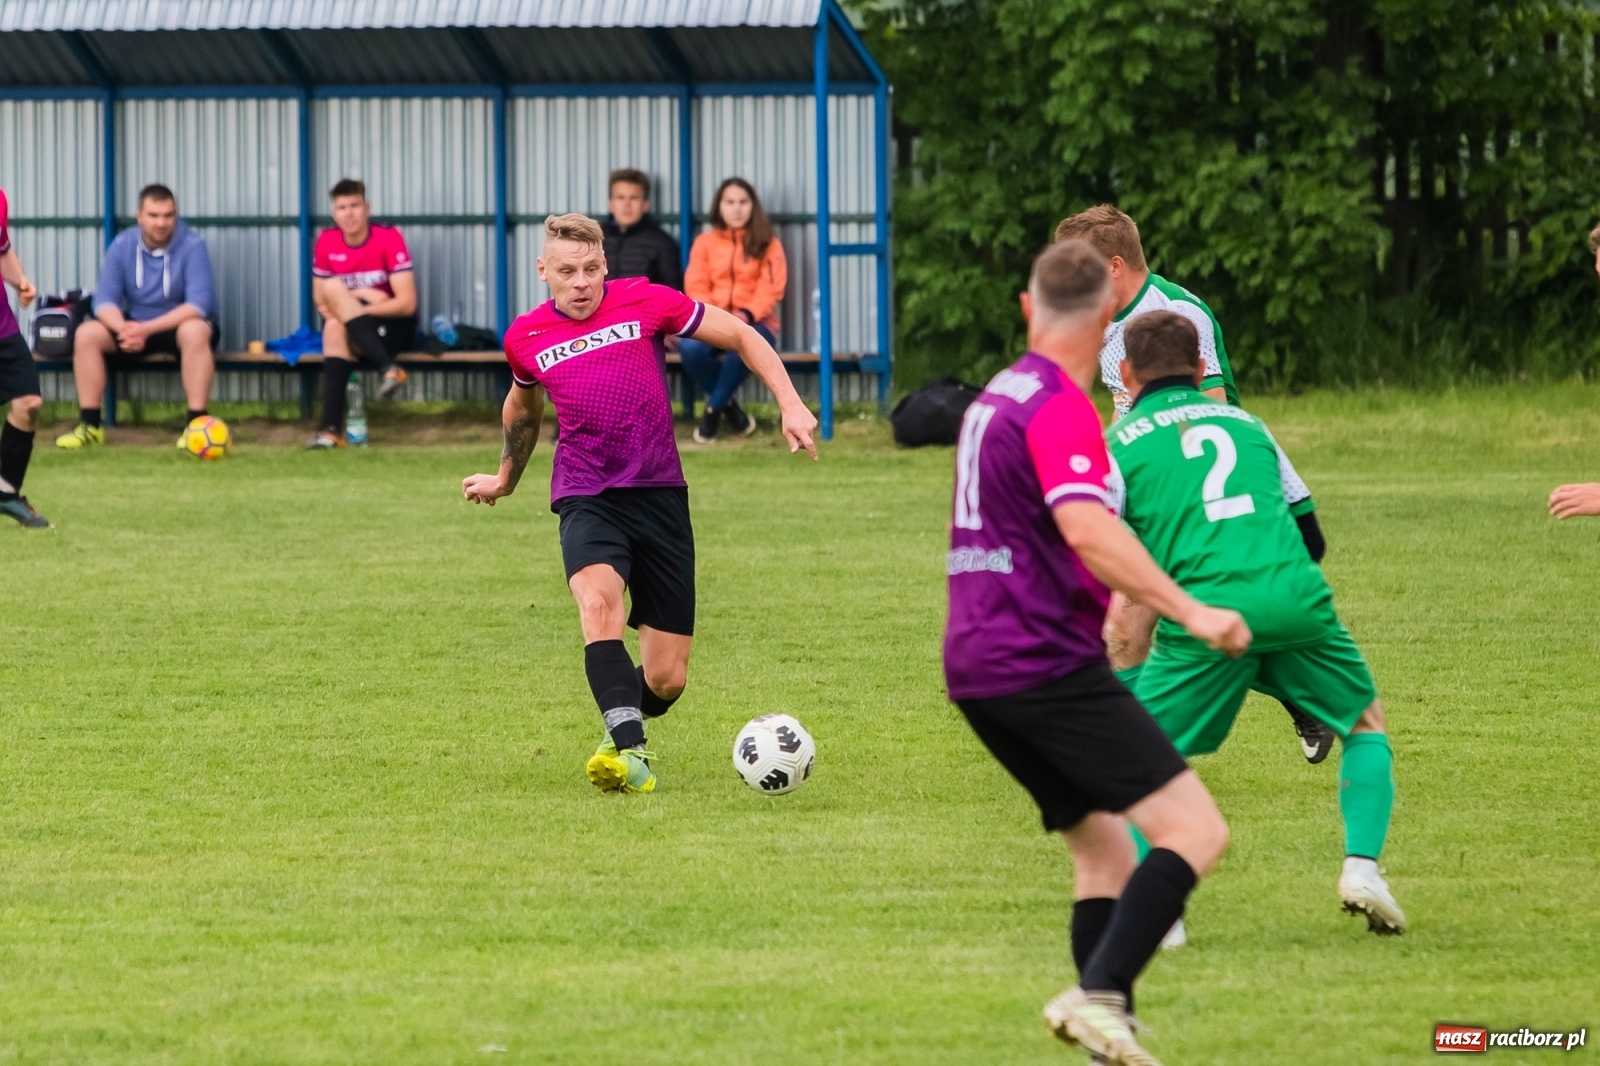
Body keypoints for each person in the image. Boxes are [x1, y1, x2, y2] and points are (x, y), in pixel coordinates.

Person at [944, 238, 1247, 1065]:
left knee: (1107, 850)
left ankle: (1106, 1033)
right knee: (1196, 831)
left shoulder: (996, 395)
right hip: (1042, 663)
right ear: (1112, 316)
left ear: (1025, 307)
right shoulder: (1061, 406)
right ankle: (1098, 996)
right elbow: (1086, 527)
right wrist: (1190, 609)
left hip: (975, 664)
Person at [461, 214, 817, 795]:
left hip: (659, 495)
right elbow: (522, 411)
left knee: (667, 677)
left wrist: (790, 403)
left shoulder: (646, 302)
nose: (581, 283)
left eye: (592, 269)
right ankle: (632, 753)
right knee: (598, 603)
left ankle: (618, 727)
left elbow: (746, 336)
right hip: (586, 493)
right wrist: (505, 479)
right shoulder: (525, 338)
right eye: (568, 272)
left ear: (607, 264)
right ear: (543, 271)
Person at [1107, 310, 1405, 938]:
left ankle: (1162, 913)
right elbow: (1311, 534)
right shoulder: (1249, 425)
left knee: (1138, 755)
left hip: (1207, 611)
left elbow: (1102, 543)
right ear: (1198, 368)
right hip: (1294, 596)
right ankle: (1361, 868)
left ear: (1126, 373)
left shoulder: (1120, 443)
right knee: (1363, 723)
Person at [1056, 204, 1333, 769]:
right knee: (1127, 628)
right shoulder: (1102, 320)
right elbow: (1124, 412)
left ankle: (1303, 696)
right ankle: (1135, 760)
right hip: (1147, 490)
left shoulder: (1176, 314)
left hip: (1196, 496)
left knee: (1194, 623)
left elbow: (1210, 412)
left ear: (1113, 265)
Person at [57, 184, 218, 449]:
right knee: (87, 334)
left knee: (195, 330)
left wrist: (146, 330)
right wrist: (125, 329)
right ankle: (90, 425)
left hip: (177, 325)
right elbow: (103, 301)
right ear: (139, 215)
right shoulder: (122, 245)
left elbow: (198, 305)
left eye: (168, 215)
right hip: (133, 325)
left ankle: (196, 425)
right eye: (154, 215)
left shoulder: (192, 245)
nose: (162, 223)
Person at [307, 178, 417, 449]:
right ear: (334, 213)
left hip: (394, 328)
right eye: (342, 207)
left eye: (355, 205)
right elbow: (322, 302)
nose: (349, 212)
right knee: (332, 324)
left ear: (366, 208)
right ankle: (331, 430)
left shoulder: (388, 237)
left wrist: (354, 305)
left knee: (335, 303)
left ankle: (386, 366)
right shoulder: (326, 241)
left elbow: (406, 303)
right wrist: (363, 294)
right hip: (353, 327)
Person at [681, 178, 788, 443]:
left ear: (753, 206)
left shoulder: (768, 243)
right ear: (720, 206)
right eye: (730, 202)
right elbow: (695, 285)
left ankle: (712, 411)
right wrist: (718, 317)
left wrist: (746, 315)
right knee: (690, 350)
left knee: (742, 348)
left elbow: (772, 288)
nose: (737, 209)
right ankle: (729, 408)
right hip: (713, 320)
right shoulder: (705, 243)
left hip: (757, 322)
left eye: (743, 202)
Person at [0, 186, 49, 527]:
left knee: (29, 402)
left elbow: (2, 247)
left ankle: (6, 493)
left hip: (2, 328)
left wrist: (20, 282)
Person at [600, 169, 683, 290]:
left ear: (645, 204)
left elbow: (674, 291)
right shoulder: (595, 239)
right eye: (620, 198)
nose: (626, 205)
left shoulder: (663, 243)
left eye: (633, 198)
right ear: (611, 204)